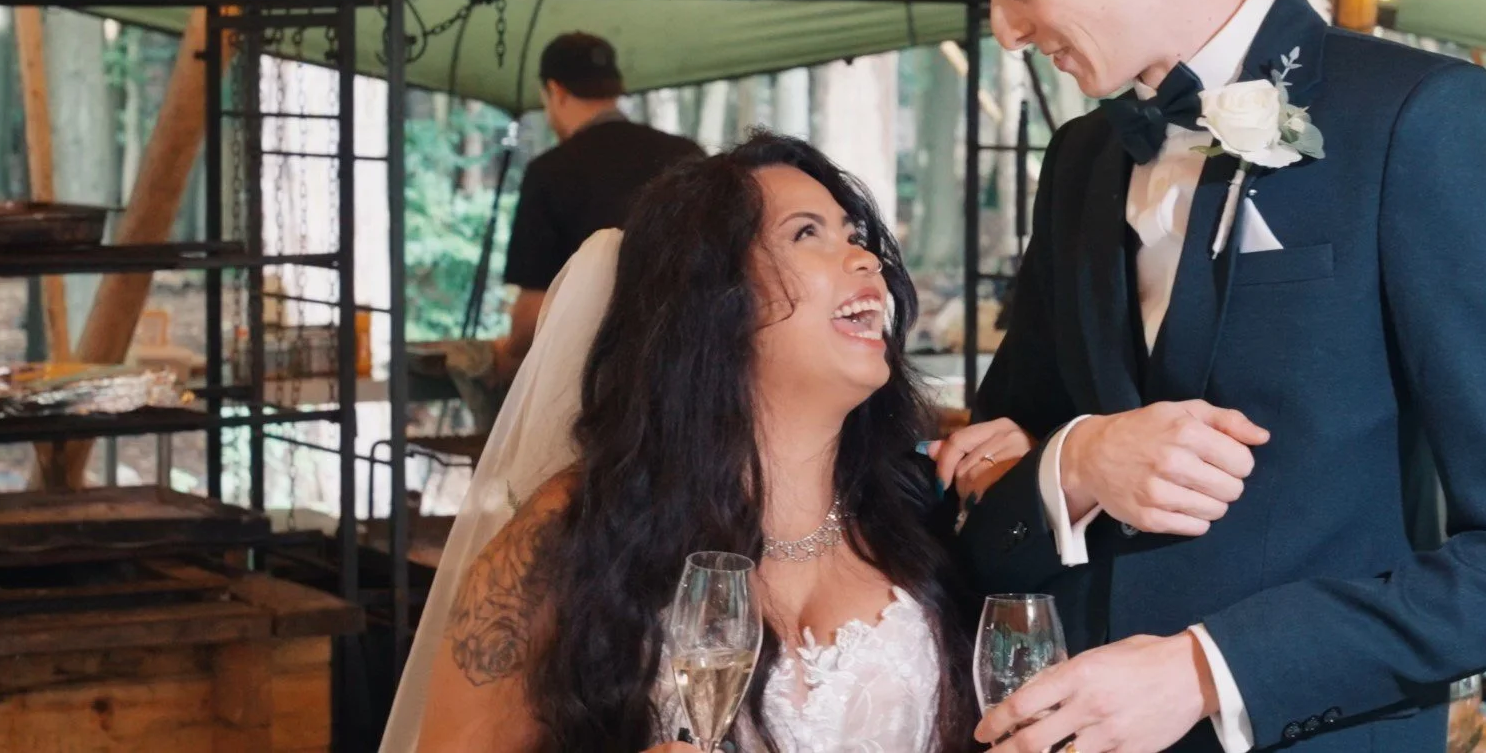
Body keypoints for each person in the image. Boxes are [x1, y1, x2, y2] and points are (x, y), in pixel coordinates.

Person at [923, 0, 1486, 753]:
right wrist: (1078, 461)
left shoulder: (1418, 122)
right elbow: (995, 476)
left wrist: (1206, 669)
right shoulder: (1079, 161)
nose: (1008, 31)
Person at [399, 133, 1032, 753]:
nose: (866, 260)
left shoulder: (928, 504)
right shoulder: (573, 529)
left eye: (856, 236)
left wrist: (1026, 493)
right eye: (807, 233)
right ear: (711, 296)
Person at [495, 31, 703, 379]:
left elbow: (532, 316)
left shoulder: (551, 171)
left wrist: (506, 350)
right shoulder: (687, 156)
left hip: (593, 386)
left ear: (555, 91)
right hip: (689, 373)